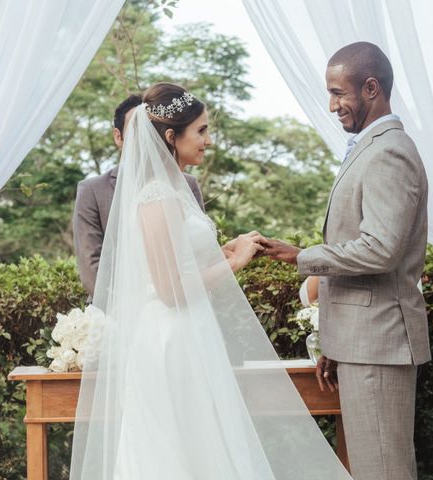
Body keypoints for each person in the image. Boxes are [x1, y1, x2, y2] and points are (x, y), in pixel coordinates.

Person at [69, 83, 352, 480]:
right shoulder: (155, 197)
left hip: (193, 331)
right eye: (201, 131)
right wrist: (235, 264)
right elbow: (169, 289)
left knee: (206, 444)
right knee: (179, 449)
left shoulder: (176, 189)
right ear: (172, 137)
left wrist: (225, 250)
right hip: (171, 339)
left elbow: (180, 260)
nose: (208, 140)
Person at [264, 42, 430, 480]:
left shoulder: (389, 151)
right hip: (363, 342)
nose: (332, 105)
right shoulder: (369, 147)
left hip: (380, 343)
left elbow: (381, 249)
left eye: (339, 93)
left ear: (371, 88)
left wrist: (303, 257)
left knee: (384, 471)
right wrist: (334, 341)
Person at [72, 94, 205, 299]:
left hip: (186, 302)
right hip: (120, 313)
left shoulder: (187, 184)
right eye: (137, 130)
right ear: (118, 136)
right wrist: (137, 313)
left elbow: (196, 254)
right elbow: (92, 268)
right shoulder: (92, 190)